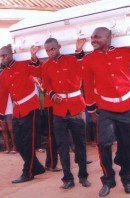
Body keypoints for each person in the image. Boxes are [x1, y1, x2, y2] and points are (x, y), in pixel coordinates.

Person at [83, 27, 130, 197]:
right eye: (92, 37)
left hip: (127, 107)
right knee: (103, 144)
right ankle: (108, 179)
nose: (93, 40)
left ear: (108, 38)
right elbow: (87, 85)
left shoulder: (125, 52)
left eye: (97, 37)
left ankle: (127, 179)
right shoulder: (89, 59)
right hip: (106, 108)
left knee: (128, 145)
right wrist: (92, 109)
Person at [40, 38, 91, 189]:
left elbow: (83, 69)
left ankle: (83, 176)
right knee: (62, 145)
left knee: (80, 144)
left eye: (52, 49)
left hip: (76, 107)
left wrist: (79, 50)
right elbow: (46, 85)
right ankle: (68, 178)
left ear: (59, 47)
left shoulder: (72, 60)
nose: (50, 53)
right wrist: (52, 94)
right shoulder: (46, 66)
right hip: (59, 109)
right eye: (47, 50)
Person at [0, 45, 45, 184]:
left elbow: (38, 72)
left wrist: (34, 57)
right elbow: (3, 96)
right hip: (17, 110)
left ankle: (27, 172)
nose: (2, 58)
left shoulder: (24, 64)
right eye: (0, 56)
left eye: (4, 55)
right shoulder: (3, 74)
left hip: (30, 107)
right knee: (18, 142)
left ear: (11, 54)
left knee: (28, 143)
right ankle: (37, 167)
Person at [0, 81, 16, 154]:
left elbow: (14, 98)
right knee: (4, 130)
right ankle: (7, 147)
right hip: (0, 112)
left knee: (11, 129)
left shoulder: (9, 85)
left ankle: (14, 147)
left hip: (9, 110)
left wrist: (14, 109)